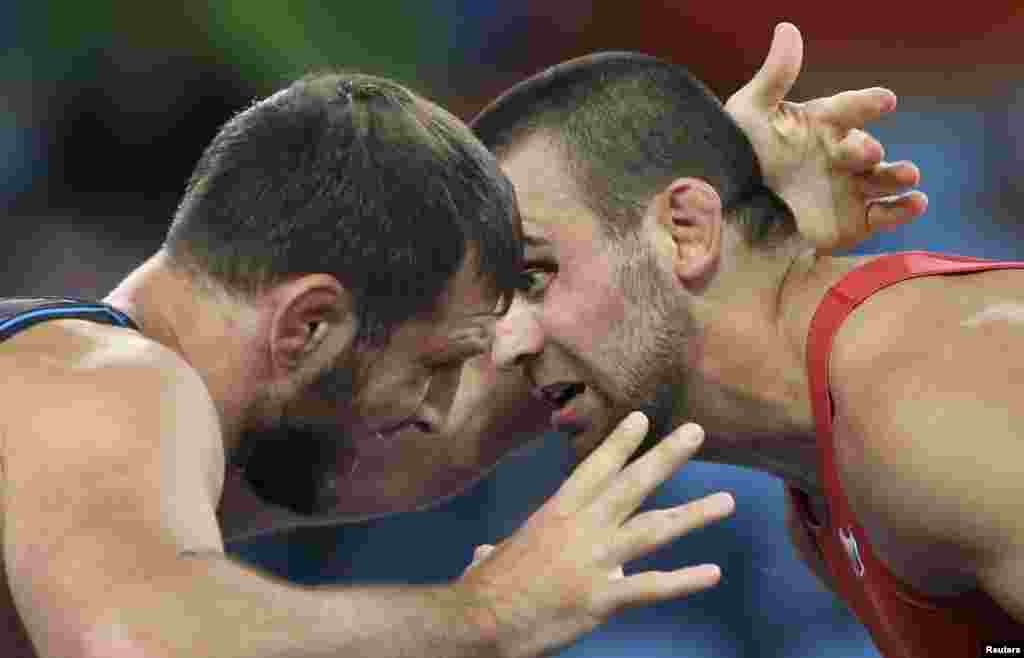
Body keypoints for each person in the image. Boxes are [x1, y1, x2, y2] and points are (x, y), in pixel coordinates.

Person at [0, 73, 733, 658]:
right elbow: (141, 646)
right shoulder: (112, 385)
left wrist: (737, 227)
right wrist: (485, 616)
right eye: (436, 364)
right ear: (309, 324)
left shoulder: (112, 446)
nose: (440, 407)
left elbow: (420, 457)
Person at [461, 28, 1023, 658]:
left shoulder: (929, 408)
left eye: (534, 276)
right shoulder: (822, 472)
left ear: (686, 230)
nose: (505, 347)